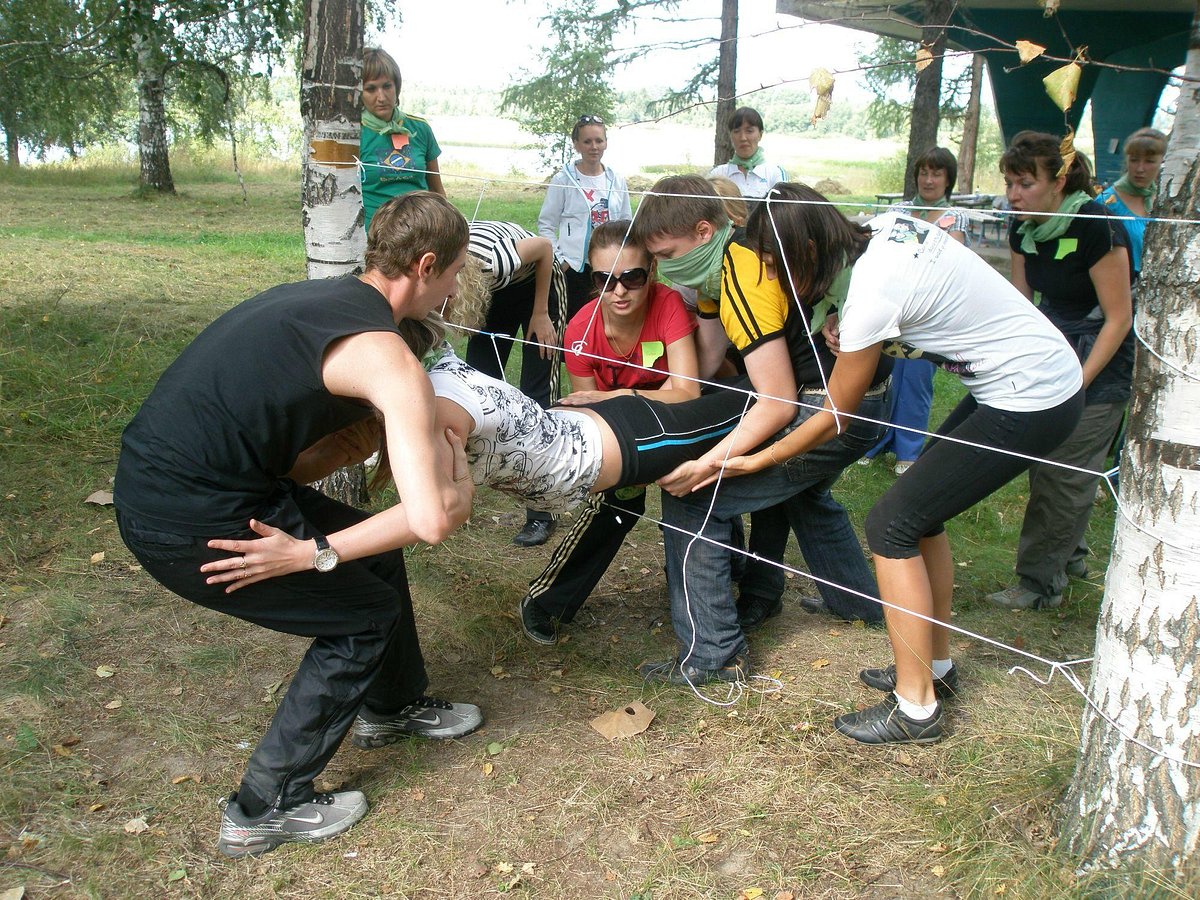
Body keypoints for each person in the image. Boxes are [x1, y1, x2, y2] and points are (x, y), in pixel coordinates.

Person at [113, 193, 480, 858]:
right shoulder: (387, 356)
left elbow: (284, 454)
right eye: (455, 274)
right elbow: (431, 519)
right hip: (185, 516)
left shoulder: (325, 299)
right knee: (363, 616)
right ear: (426, 265)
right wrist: (317, 551)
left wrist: (341, 470)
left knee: (374, 556)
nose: (455, 290)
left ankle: (393, 706)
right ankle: (264, 807)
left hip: (175, 483)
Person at [717, 183, 1084, 744]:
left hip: (1031, 396)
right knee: (921, 517)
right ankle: (934, 666)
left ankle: (916, 709)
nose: (771, 276)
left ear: (806, 250)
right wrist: (841, 318)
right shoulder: (882, 231)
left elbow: (837, 413)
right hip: (1028, 378)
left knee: (891, 526)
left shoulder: (871, 293)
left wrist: (759, 459)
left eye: (774, 263)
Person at [633, 175, 891, 688]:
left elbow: (777, 402)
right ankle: (859, 604)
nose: (663, 268)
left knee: (695, 497)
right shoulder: (717, 271)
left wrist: (710, 462)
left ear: (703, 232)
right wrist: (644, 399)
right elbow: (709, 360)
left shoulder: (743, 273)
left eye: (666, 255)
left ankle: (713, 655)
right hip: (860, 398)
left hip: (833, 407)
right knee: (805, 495)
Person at [517, 220, 701, 645]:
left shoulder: (668, 305)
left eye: (632, 277)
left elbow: (689, 392)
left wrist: (618, 394)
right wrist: (639, 399)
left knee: (693, 491)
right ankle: (546, 601)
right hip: (623, 432)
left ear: (651, 272)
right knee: (616, 504)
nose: (619, 291)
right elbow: (591, 413)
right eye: (604, 280)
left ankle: (703, 591)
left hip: (679, 423)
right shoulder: (580, 331)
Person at [985, 131, 1134, 611]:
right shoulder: (1023, 227)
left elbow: (1119, 319)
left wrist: (1078, 382)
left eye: (1025, 183)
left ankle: (1038, 584)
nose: (1013, 194)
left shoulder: (1097, 226)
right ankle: (1070, 556)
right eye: (1009, 183)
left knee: (1061, 473)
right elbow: (1022, 305)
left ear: (1059, 181)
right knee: (1047, 462)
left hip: (1101, 364)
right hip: (1051, 353)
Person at [860, 147, 968, 476]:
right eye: (924, 172)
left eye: (936, 173)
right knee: (885, 375)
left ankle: (908, 449)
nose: (928, 179)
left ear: (948, 179)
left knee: (917, 381)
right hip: (892, 307)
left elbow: (953, 266)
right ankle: (874, 442)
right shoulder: (900, 211)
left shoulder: (954, 217)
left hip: (928, 314)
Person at [460, 220, 567, 547]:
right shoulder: (442, 267)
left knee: (538, 395)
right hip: (493, 291)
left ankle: (543, 511)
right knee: (475, 389)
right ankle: (459, 495)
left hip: (539, 282)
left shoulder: (493, 259)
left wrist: (540, 313)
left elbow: (544, 247)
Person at [537, 115, 633, 321]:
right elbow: (546, 224)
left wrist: (624, 257)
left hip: (610, 266)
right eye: (587, 141)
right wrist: (561, 261)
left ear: (606, 143)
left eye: (599, 140)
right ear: (576, 144)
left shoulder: (616, 180)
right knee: (576, 322)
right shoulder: (563, 179)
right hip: (575, 269)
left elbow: (626, 222)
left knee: (609, 320)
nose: (594, 147)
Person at [360, 47, 445, 230]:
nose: (381, 97)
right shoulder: (353, 135)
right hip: (374, 234)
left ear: (396, 86)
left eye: (387, 86)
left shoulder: (420, 129)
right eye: (371, 89)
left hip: (423, 229)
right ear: (360, 92)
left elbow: (437, 191)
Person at [1098, 127, 1167, 278]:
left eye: (1149, 161)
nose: (1140, 168)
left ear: (1162, 161)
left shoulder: (1167, 199)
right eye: (1134, 160)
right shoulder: (1107, 201)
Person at [707, 107, 787, 200]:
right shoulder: (718, 174)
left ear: (760, 135)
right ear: (730, 136)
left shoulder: (775, 173)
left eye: (749, 131)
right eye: (736, 131)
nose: (743, 138)